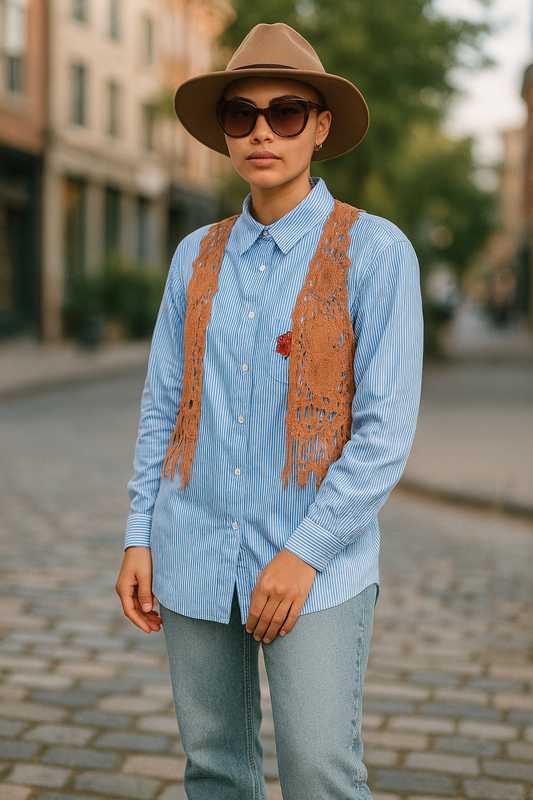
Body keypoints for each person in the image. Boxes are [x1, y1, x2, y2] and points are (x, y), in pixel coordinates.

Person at [116, 22, 423, 800]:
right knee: (214, 768)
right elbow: (163, 407)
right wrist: (137, 538)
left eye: (286, 112)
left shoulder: (376, 253)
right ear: (223, 131)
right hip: (192, 553)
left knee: (321, 772)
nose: (261, 132)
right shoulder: (194, 256)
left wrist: (303, 553)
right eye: (240, 115)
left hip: (316, 572)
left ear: (320, 128)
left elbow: (384, 435)